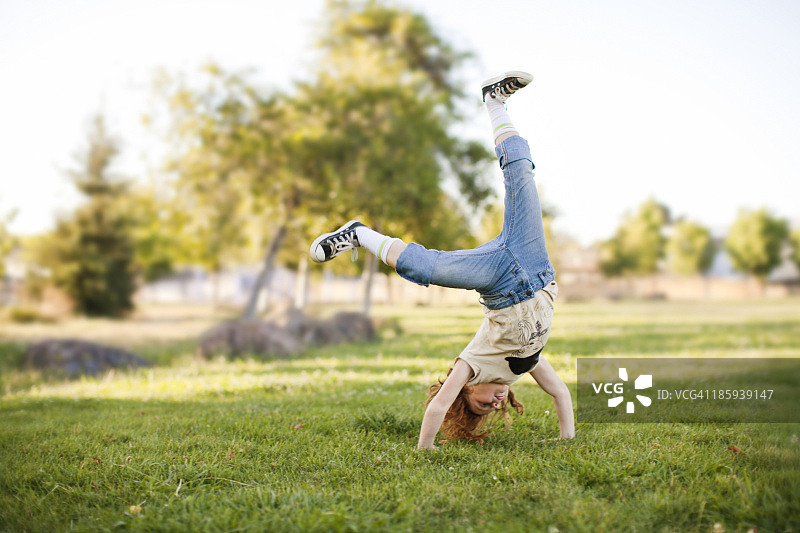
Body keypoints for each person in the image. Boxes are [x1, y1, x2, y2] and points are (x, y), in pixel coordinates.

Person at [309, 72, 575, 450]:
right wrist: (566, 439)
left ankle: (359, 234)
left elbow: (438, 406)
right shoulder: (529, 362)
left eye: (481, 404)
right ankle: (495, 102)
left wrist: (426, 447)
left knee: (425, 267)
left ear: (467, 390)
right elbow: (560, 393)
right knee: (522, 174)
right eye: (494, 407)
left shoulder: (472, 364)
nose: (494, 403)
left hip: (498, 281)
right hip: (535, 266)